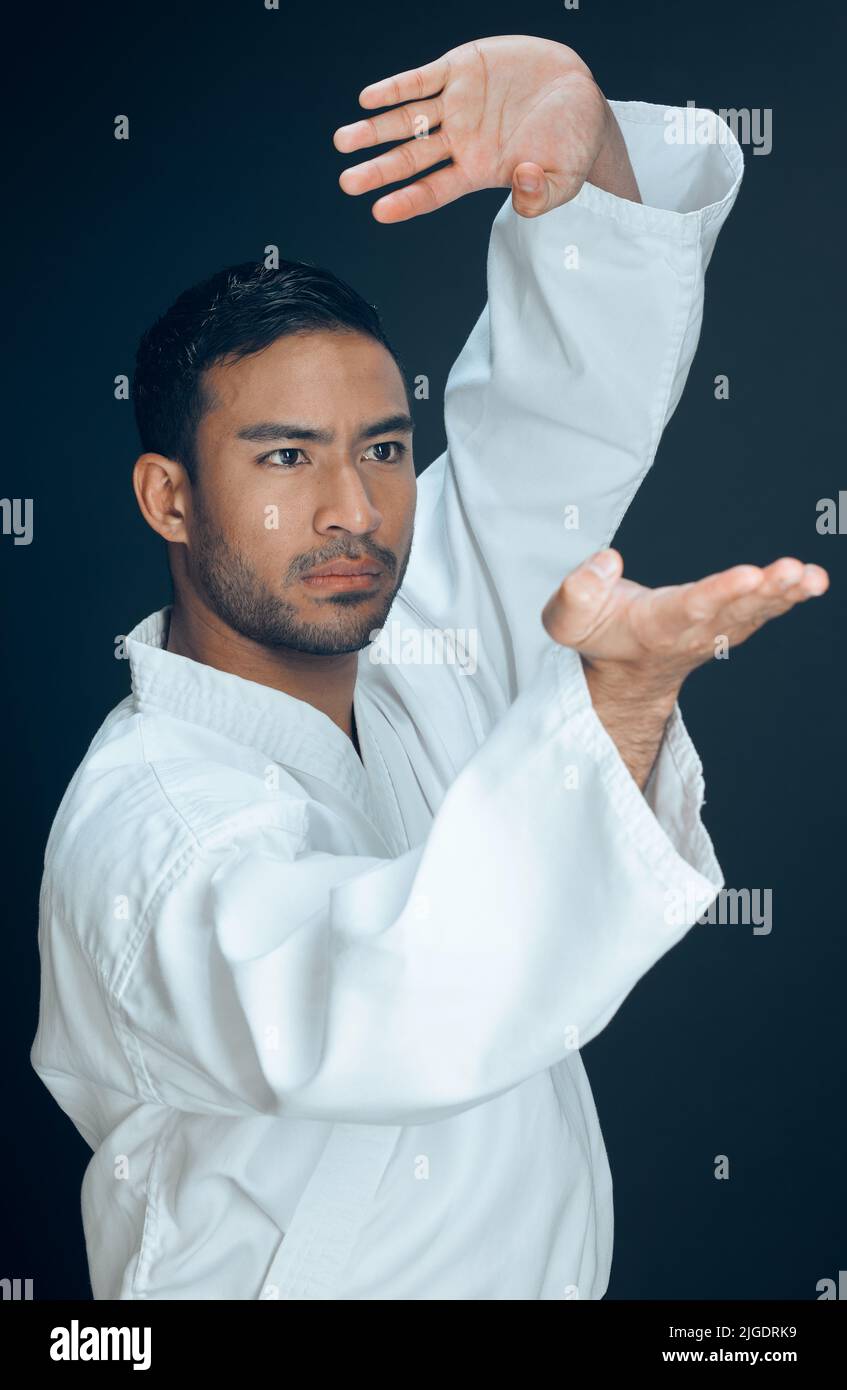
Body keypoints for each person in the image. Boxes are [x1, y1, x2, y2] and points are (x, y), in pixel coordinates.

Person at [31, 34, 828, 1300]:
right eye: (286, 459)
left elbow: (549, 435)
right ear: (168, 498)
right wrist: (614, 707)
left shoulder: (409, 646)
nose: (355, 508)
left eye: (386, 450)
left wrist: (588, 175)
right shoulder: (149, 830)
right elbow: (389, 995)